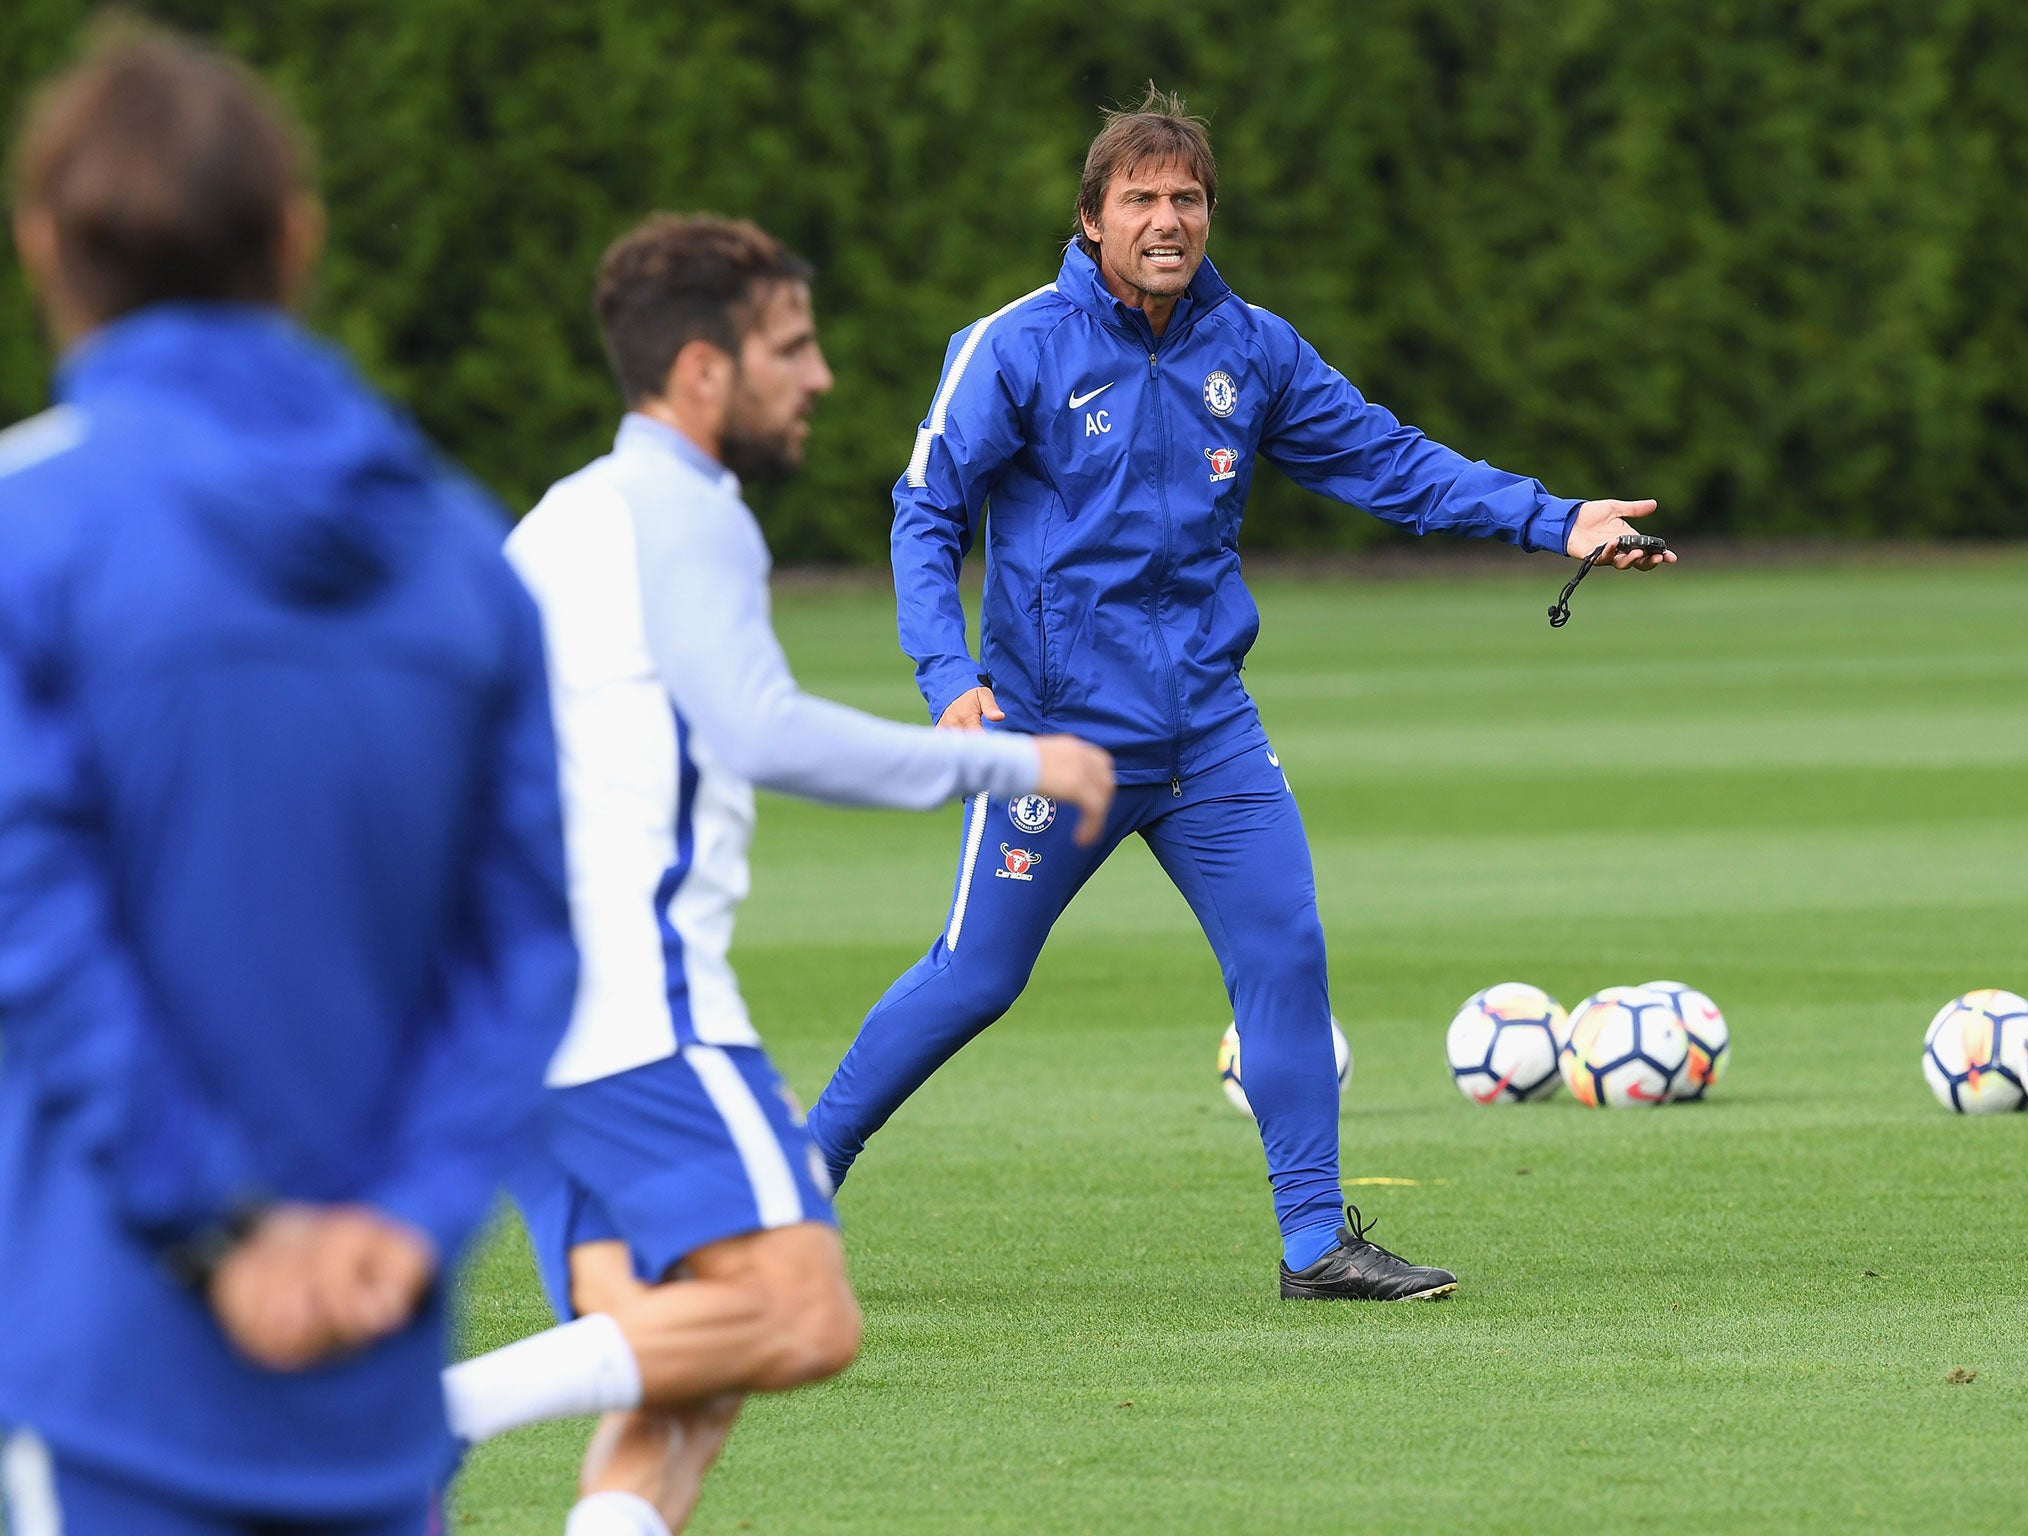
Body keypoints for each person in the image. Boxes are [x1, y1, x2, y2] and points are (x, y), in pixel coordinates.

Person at [806, 86, 1675, 1301]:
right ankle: (790, 1186)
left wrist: (1554, 519)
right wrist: (948, 677)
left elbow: (1388, 462)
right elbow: (924, 511)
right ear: (1092, 217)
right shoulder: (1014, 345)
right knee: (975, 977)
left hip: (1206, 734)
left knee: (1284, 951)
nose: (1166, 218)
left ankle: (1316, 1244)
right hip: (1056, 741)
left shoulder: (1249, 346)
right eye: (1140, 198)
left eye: (1186, 197)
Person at [438, 214, 1114, 1534]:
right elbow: (759, 726)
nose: (821, 378)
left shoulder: (562, 519)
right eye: (790, 348)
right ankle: (419, 1421)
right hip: (636, 1005)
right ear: (703, 370)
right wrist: (1011, 763)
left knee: (688, 1359)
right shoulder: (685, 512)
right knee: (799, 1318)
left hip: (518, 1017)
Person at [0, 25, 577, 1536]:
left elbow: (35, 926)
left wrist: (222, 1225)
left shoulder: (30, 538)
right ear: (298, 241)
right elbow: (523, 946)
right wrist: (409, 1211)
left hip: (94, 1388)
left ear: (43, 242)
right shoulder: (461, 552)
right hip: (371, 1401)